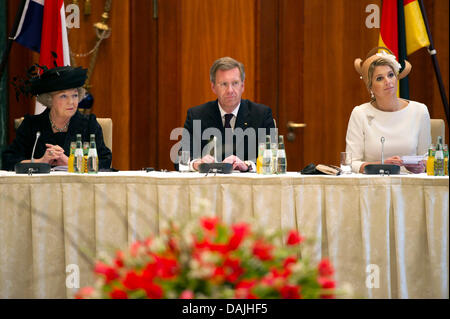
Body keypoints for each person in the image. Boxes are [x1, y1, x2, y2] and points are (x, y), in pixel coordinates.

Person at [2, 65, 112, 171]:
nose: (71, 102)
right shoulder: (31, 125)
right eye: (63, 96)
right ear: (49, 99)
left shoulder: (89, 124)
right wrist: (41, 161)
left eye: (75, 95)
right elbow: (9, 161)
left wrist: (70, 162)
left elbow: (105, 162)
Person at [346, 47, 431, 174]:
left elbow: (428, 158)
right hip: (372, 186)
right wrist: (380, 165)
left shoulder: (420, 110)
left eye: (391, 75)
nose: (388, 82)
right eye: (379, 78)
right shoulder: (359, 113)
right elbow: (350, 162)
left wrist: (422, 166)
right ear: (370, 87)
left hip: (411, 185)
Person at [182, 57, 275, 172]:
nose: (230, 90)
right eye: (224, 84)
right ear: (213, 87)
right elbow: (181, 159)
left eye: (235, 83)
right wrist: (197, 164)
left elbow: (272, 158)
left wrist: (248, 165)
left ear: (243, 86)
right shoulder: (196, 115)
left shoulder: (261, 114)